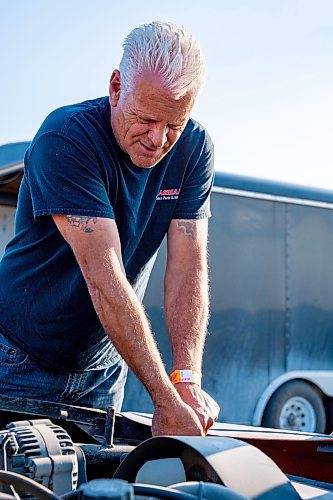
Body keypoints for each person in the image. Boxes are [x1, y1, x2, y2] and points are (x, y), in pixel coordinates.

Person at [0, 21, 219, 436]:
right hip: (18, 361)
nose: (158, 139)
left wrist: (185, 379)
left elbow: (189, 269)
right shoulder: (66, 138)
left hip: (102, 372)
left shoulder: (194, 148)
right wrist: (164, 399)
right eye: (147, 119)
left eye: (174, 123)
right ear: (116, 87)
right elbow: (106, 277)